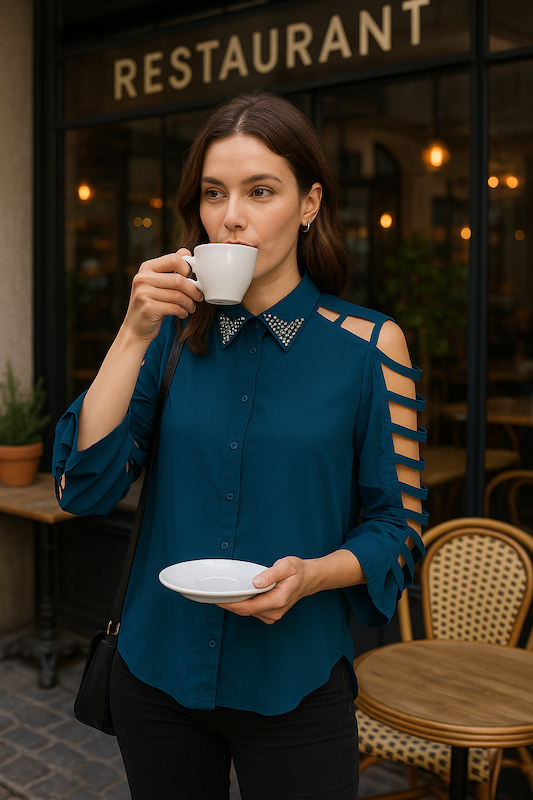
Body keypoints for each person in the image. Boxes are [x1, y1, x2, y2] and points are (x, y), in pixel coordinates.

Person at [53, 91, 427, 800]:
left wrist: (312, 575)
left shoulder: (371, 347)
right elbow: (81, 487)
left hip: (296, 682)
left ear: (309, 203)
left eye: (261, 191)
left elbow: (399, 529)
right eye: (214, 193)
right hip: (155, 675)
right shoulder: (165, 335)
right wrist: (131, 332)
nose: (231, 215)